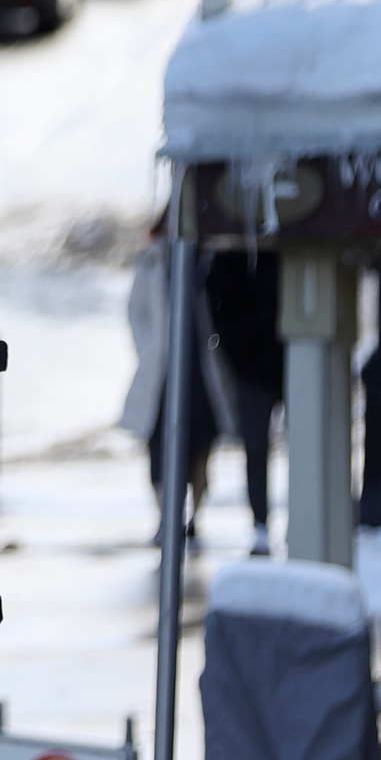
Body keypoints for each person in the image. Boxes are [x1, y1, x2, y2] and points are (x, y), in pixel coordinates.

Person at [122, 226, 227, 545]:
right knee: (157, 447)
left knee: (199, 449)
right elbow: (135, 311)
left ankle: (193, 518)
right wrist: (148, 347)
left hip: (199, 367)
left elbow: (220, 309)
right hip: (162, 371)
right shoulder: (152, 260)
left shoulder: (208, 257)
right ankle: (167, 518)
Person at [203, 248, 284, 556]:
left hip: (285, 356)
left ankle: (277, 523)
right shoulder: (231, 249)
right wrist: (234, 347)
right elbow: (216, 296)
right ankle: (261, 524)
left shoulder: (281, 243)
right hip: (251, 366)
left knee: (297, 445)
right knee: (256, 448)